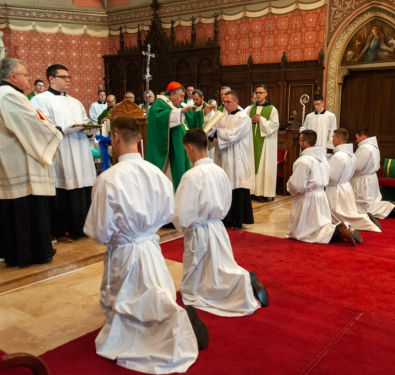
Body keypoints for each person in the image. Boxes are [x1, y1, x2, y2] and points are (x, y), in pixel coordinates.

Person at [84, 116, 208, 374]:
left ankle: (156, 327)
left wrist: (116, 237)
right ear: (139, 139)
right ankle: (173, 319)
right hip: (151, 248)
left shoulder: (107, 179)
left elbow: (99, 231)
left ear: (115, 138)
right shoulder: (158, 174)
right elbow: (167, 214)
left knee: (127, 298)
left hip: (125, 250)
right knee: (153, 291)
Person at [173, 129, 268, 316]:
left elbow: (183, 212)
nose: (186, 153)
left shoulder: (191, 176)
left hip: (199, 230)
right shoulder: (219, 171)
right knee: (218, 266)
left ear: (190, 148)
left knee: (197, 283)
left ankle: (242, 282)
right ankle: (242, 279)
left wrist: (179, 222)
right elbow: (226, 201)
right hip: (217, 226)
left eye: (186, 149)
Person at [0, 58, 62, 268]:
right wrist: (56, 132)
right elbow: (31, 124)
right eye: (25, 75)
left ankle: (19, 253)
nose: (28, 78)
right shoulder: (9, 95)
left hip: (12, 159)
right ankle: (32, 252)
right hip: (19, 160)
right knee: (27, 206)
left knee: (16, 208)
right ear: (13, 77)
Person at [31, 64, 97, 243]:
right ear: (51, 79)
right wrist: (63, 129)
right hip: (61, 151)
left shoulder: (75, 102)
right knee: (63, 189)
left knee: (82, 189)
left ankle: (82, 228)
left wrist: (90, 129)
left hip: (80, 149)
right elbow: (41, 126)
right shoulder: (40, 100)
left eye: (69, 77)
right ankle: (61, 230)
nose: (68, 80)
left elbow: (84, 121)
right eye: (64, 77)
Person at [286, 130, 358, 245]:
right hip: (321, 196)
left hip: (308, 198)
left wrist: (291, 183)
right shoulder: (323, 158)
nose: (299, 143)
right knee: (319, 225)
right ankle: (342, 229)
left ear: (305, 143)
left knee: (306, 232)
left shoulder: (304, 160)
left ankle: (338, 231)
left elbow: (297, 185)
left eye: (300, 140)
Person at [145, 82, 215, 190]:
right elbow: (159, 119)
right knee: (172, 180)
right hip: (169, 150)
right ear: (172, 94)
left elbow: (191, 117)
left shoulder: (176, 105)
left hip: (180, 146)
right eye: (181, 96)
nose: (183, 100)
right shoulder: (159, 104)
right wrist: (179, 112)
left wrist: (203, 112)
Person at [210, 90, 255, 230]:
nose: (225, 104)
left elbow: (232, 135)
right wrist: (210, 134)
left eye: (228, 101)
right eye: (224, 101)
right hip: (223, 156)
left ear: (236, 102)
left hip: (237, 157)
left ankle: (238, 220)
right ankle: (226, 219)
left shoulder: (243, 117)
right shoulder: (222, 116)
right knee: (224, 187)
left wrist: (216, 132)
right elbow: (215, 134)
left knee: (237, 187)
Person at [326, 128, 381, 234]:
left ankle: (365, 221)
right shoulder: (350, 154)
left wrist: (323, 180)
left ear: (338, 139)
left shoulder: (339, 156)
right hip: (346, 187)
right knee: (348, 212)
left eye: (333, 138)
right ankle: (365, 218)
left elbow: (332, 177)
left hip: (337, 188)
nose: (332, 140)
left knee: (339, 215)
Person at [351, 128, 395, 219]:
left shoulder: (364, 148)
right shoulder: (374, 147)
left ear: (363, 137)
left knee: (364, 204)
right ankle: (387, 209)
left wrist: (349, 172)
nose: (356, 141)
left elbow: (358, 167)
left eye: (357, 138)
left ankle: (388, 208)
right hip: (371, 177)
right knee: (372, 200)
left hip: (363, 178)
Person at [246, 84, 279, 201]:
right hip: (252, 142)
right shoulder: (250, 109)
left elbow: (275, 125)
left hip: (265, 142)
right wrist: (250, 120)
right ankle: (252, 192)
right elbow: (243, 122)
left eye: (260, 93)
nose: (258, 95)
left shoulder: (272, 109)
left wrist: (261, 120)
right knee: (252, 165)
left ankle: (264, 193)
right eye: (256, 93)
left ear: (266, 94)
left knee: (263, 166)